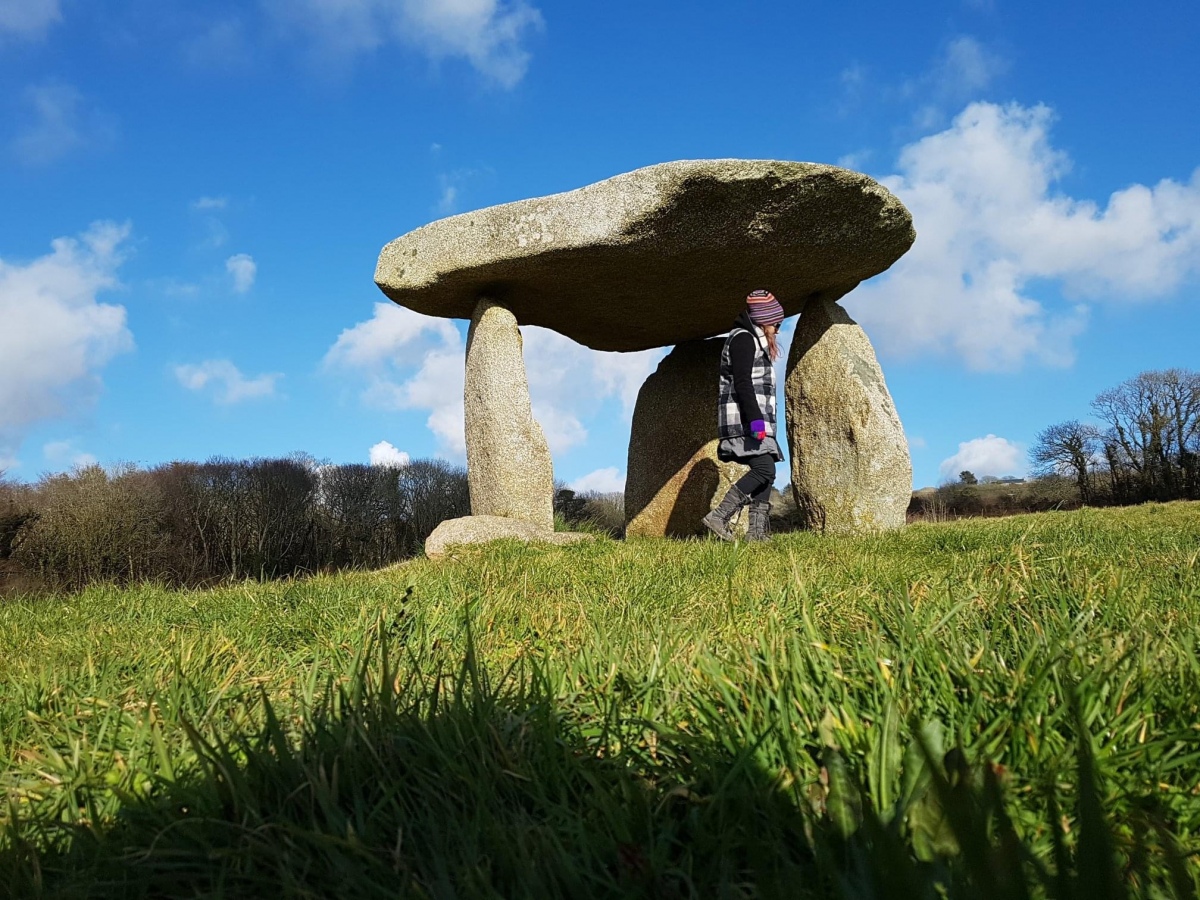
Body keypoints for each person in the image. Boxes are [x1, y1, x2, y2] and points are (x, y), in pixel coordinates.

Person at [701, 289, 786, 542]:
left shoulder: (754, 340)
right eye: (776, 323)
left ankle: (757, 533)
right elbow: (742, 382)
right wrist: (755, 419)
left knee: (767, 469)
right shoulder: (743, 339)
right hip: (744, 420)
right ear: (763, 319)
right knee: (763, 469)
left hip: (755, 419)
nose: (778, 329)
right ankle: (719, 516)